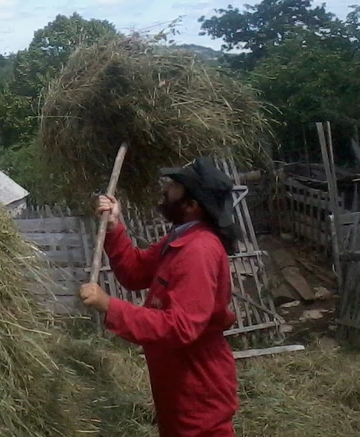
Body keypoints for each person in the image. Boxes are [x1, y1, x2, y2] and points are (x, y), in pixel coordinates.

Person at [79, 156, 240, 437]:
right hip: (177, 380)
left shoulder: (199, 251)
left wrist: (110, 307)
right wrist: (115, 227)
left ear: (192, 205)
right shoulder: (179, 240)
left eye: (176, 185)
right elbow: (134, 272)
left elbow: (181, 326)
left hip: (198, 384)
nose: (166, 188)